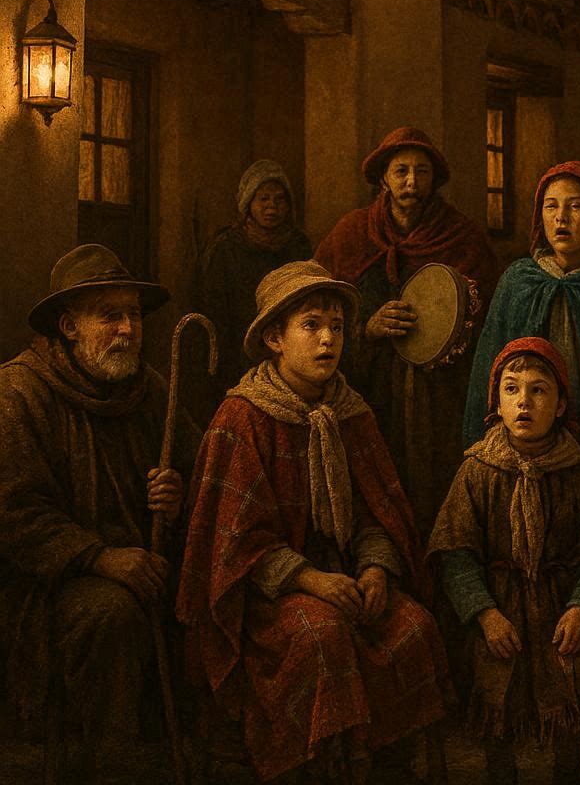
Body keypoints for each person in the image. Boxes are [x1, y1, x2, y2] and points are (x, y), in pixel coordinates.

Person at [175, 261, 452, 784]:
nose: (328, 339)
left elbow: (377, 514)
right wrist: (311, 579)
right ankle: (320, 768)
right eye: (311, 325)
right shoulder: (242, 417)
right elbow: (234, 545)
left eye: (337, 327)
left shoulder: (351, 411)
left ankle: (389, 765)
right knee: (319, 633)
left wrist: (374, 569)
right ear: (275, 338)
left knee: (413, 625)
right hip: (266, 599)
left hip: (346, 580)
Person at [0, 244, 197, 782]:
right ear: (68, 325)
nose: (128, 330)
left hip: (147, 565)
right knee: (110, 614)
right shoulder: (18, 393)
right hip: (47, 588)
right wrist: (100, 557)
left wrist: (177, 499)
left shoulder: (150, 388)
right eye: (109, 315)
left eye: (133, 314)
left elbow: (200, 469)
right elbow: (13, 514)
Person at [430, 337, 580, 782]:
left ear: (559, 406)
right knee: (496, 683)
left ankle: (567, 769)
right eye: (512, 389)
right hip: (499, 607)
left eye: (539, 390)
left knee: (575, 674)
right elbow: (455, 553)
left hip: (559, 605)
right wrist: (485, 614)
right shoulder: (477, 470)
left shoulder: (577, 470)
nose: (524, 402)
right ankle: (502, 770)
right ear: (495, 401)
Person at [313, 126, 498, 529]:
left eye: (422, 171)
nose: (411, 181)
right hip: (368, 389)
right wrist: (366, 327)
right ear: (383, 177)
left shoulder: (462, 238)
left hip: (442, 395)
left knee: (437, 491)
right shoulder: (351, 234)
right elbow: (314, 310)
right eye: (401, 171)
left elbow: (489, 322)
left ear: (435, 179)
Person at [461, 161, 580, 480]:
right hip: (523, 436)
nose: (561, 217)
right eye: (551, 206)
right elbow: (489, 367)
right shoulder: (518, 281)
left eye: (575, 206)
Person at [196, 159, 312, 396]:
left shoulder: (299, 246)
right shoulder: (225, 248)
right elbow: (214, 308)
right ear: (248, 204)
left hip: (285, 349)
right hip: (236, 352)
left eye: (279, 199)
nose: (272, 207)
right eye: (264, 199)